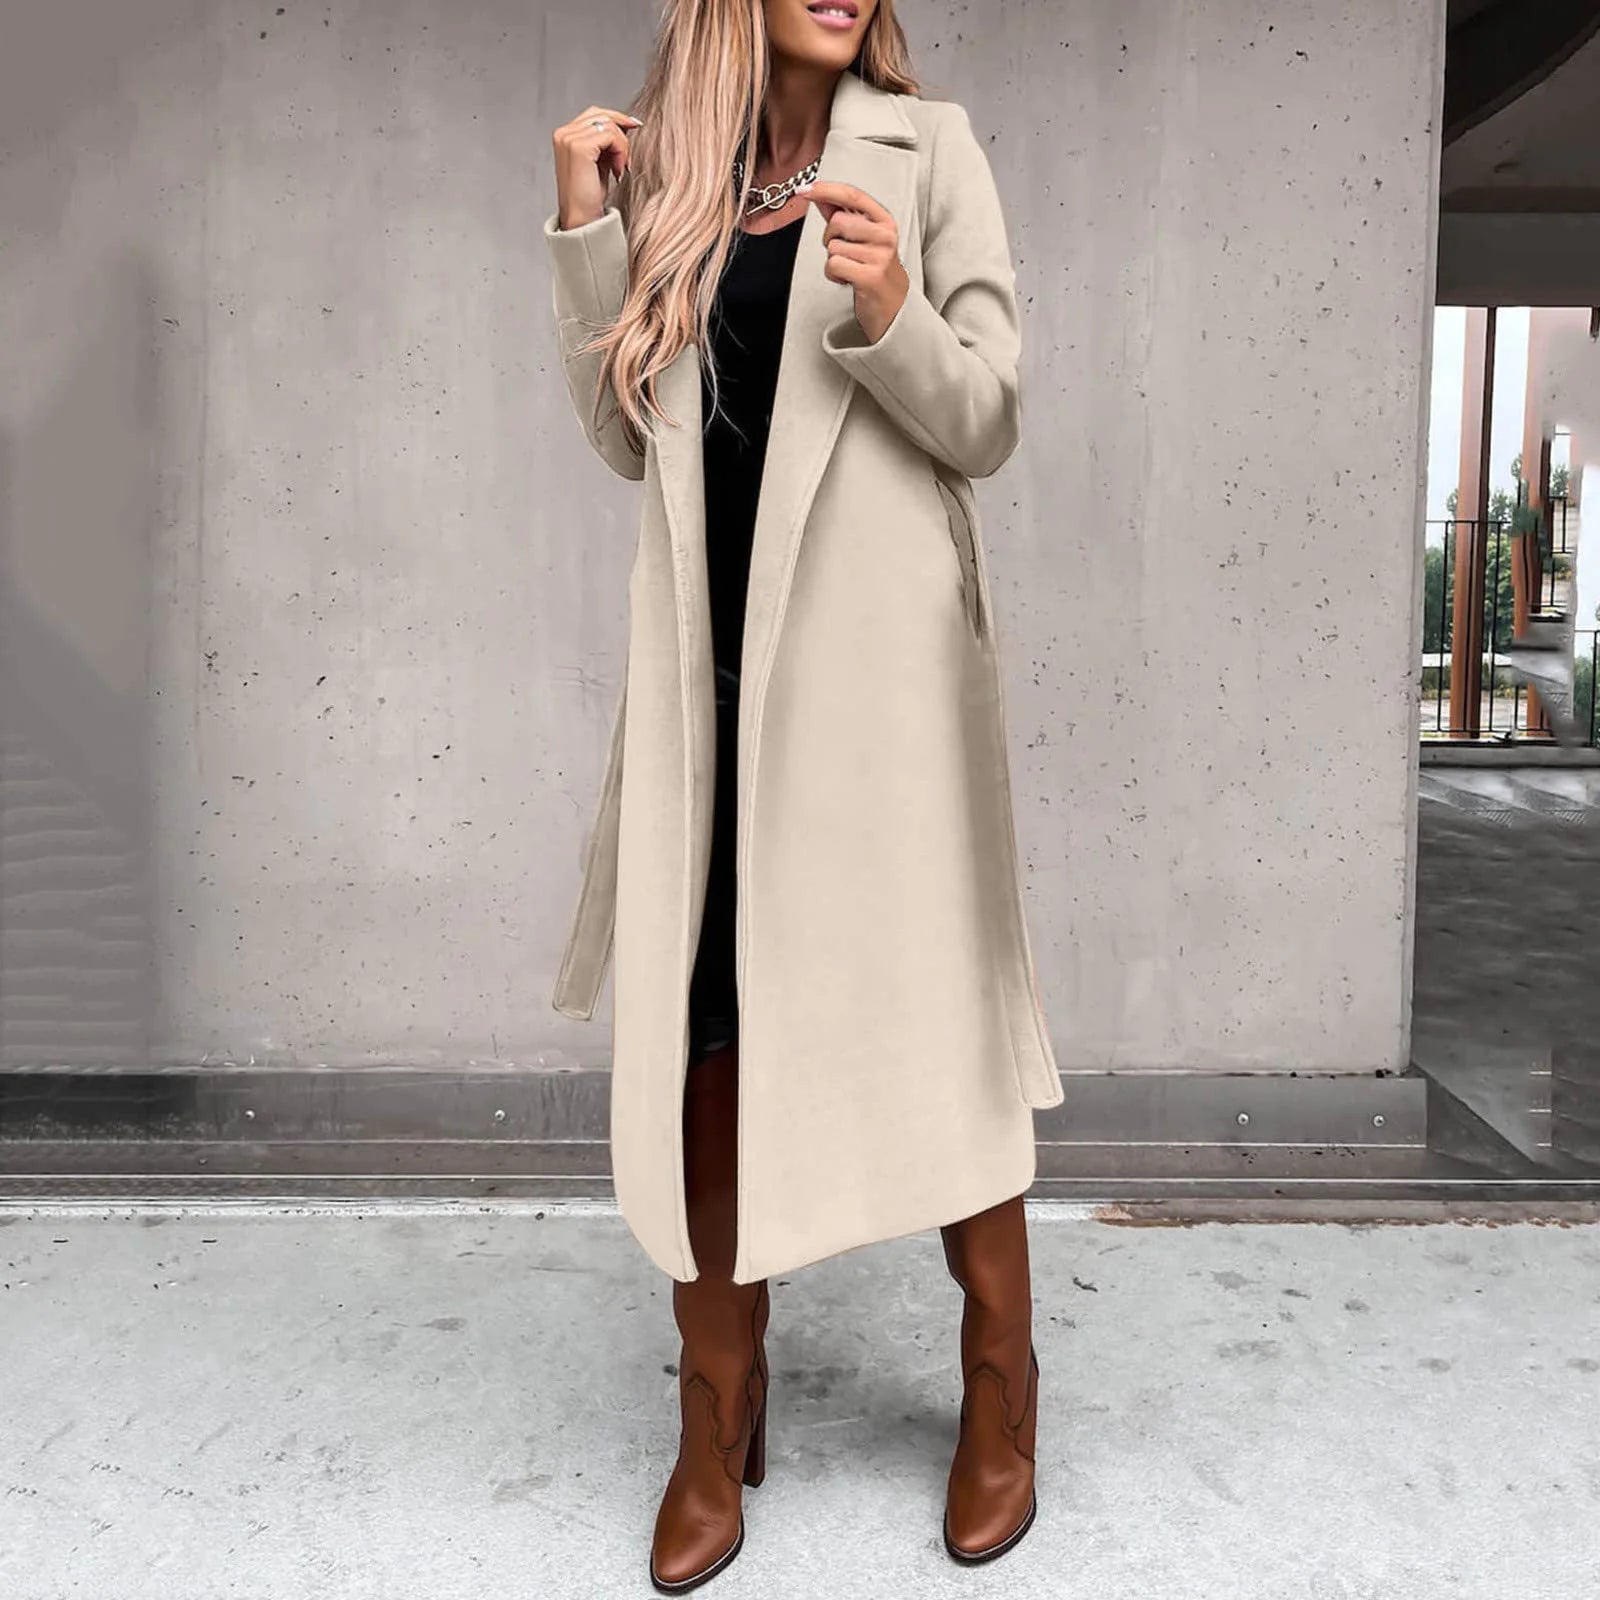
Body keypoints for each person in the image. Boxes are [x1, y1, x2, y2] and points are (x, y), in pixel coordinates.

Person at [544, 0, 1064, 1589]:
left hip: (878, 688)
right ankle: (716, 1414)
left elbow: (988, 420)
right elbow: (623, 439)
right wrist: (587, 229)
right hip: (706, 676)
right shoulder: (677, 179)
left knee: (934, 1021)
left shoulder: (931, 148)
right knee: (707, 1026)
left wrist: (893, 307)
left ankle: (1000, 1385)